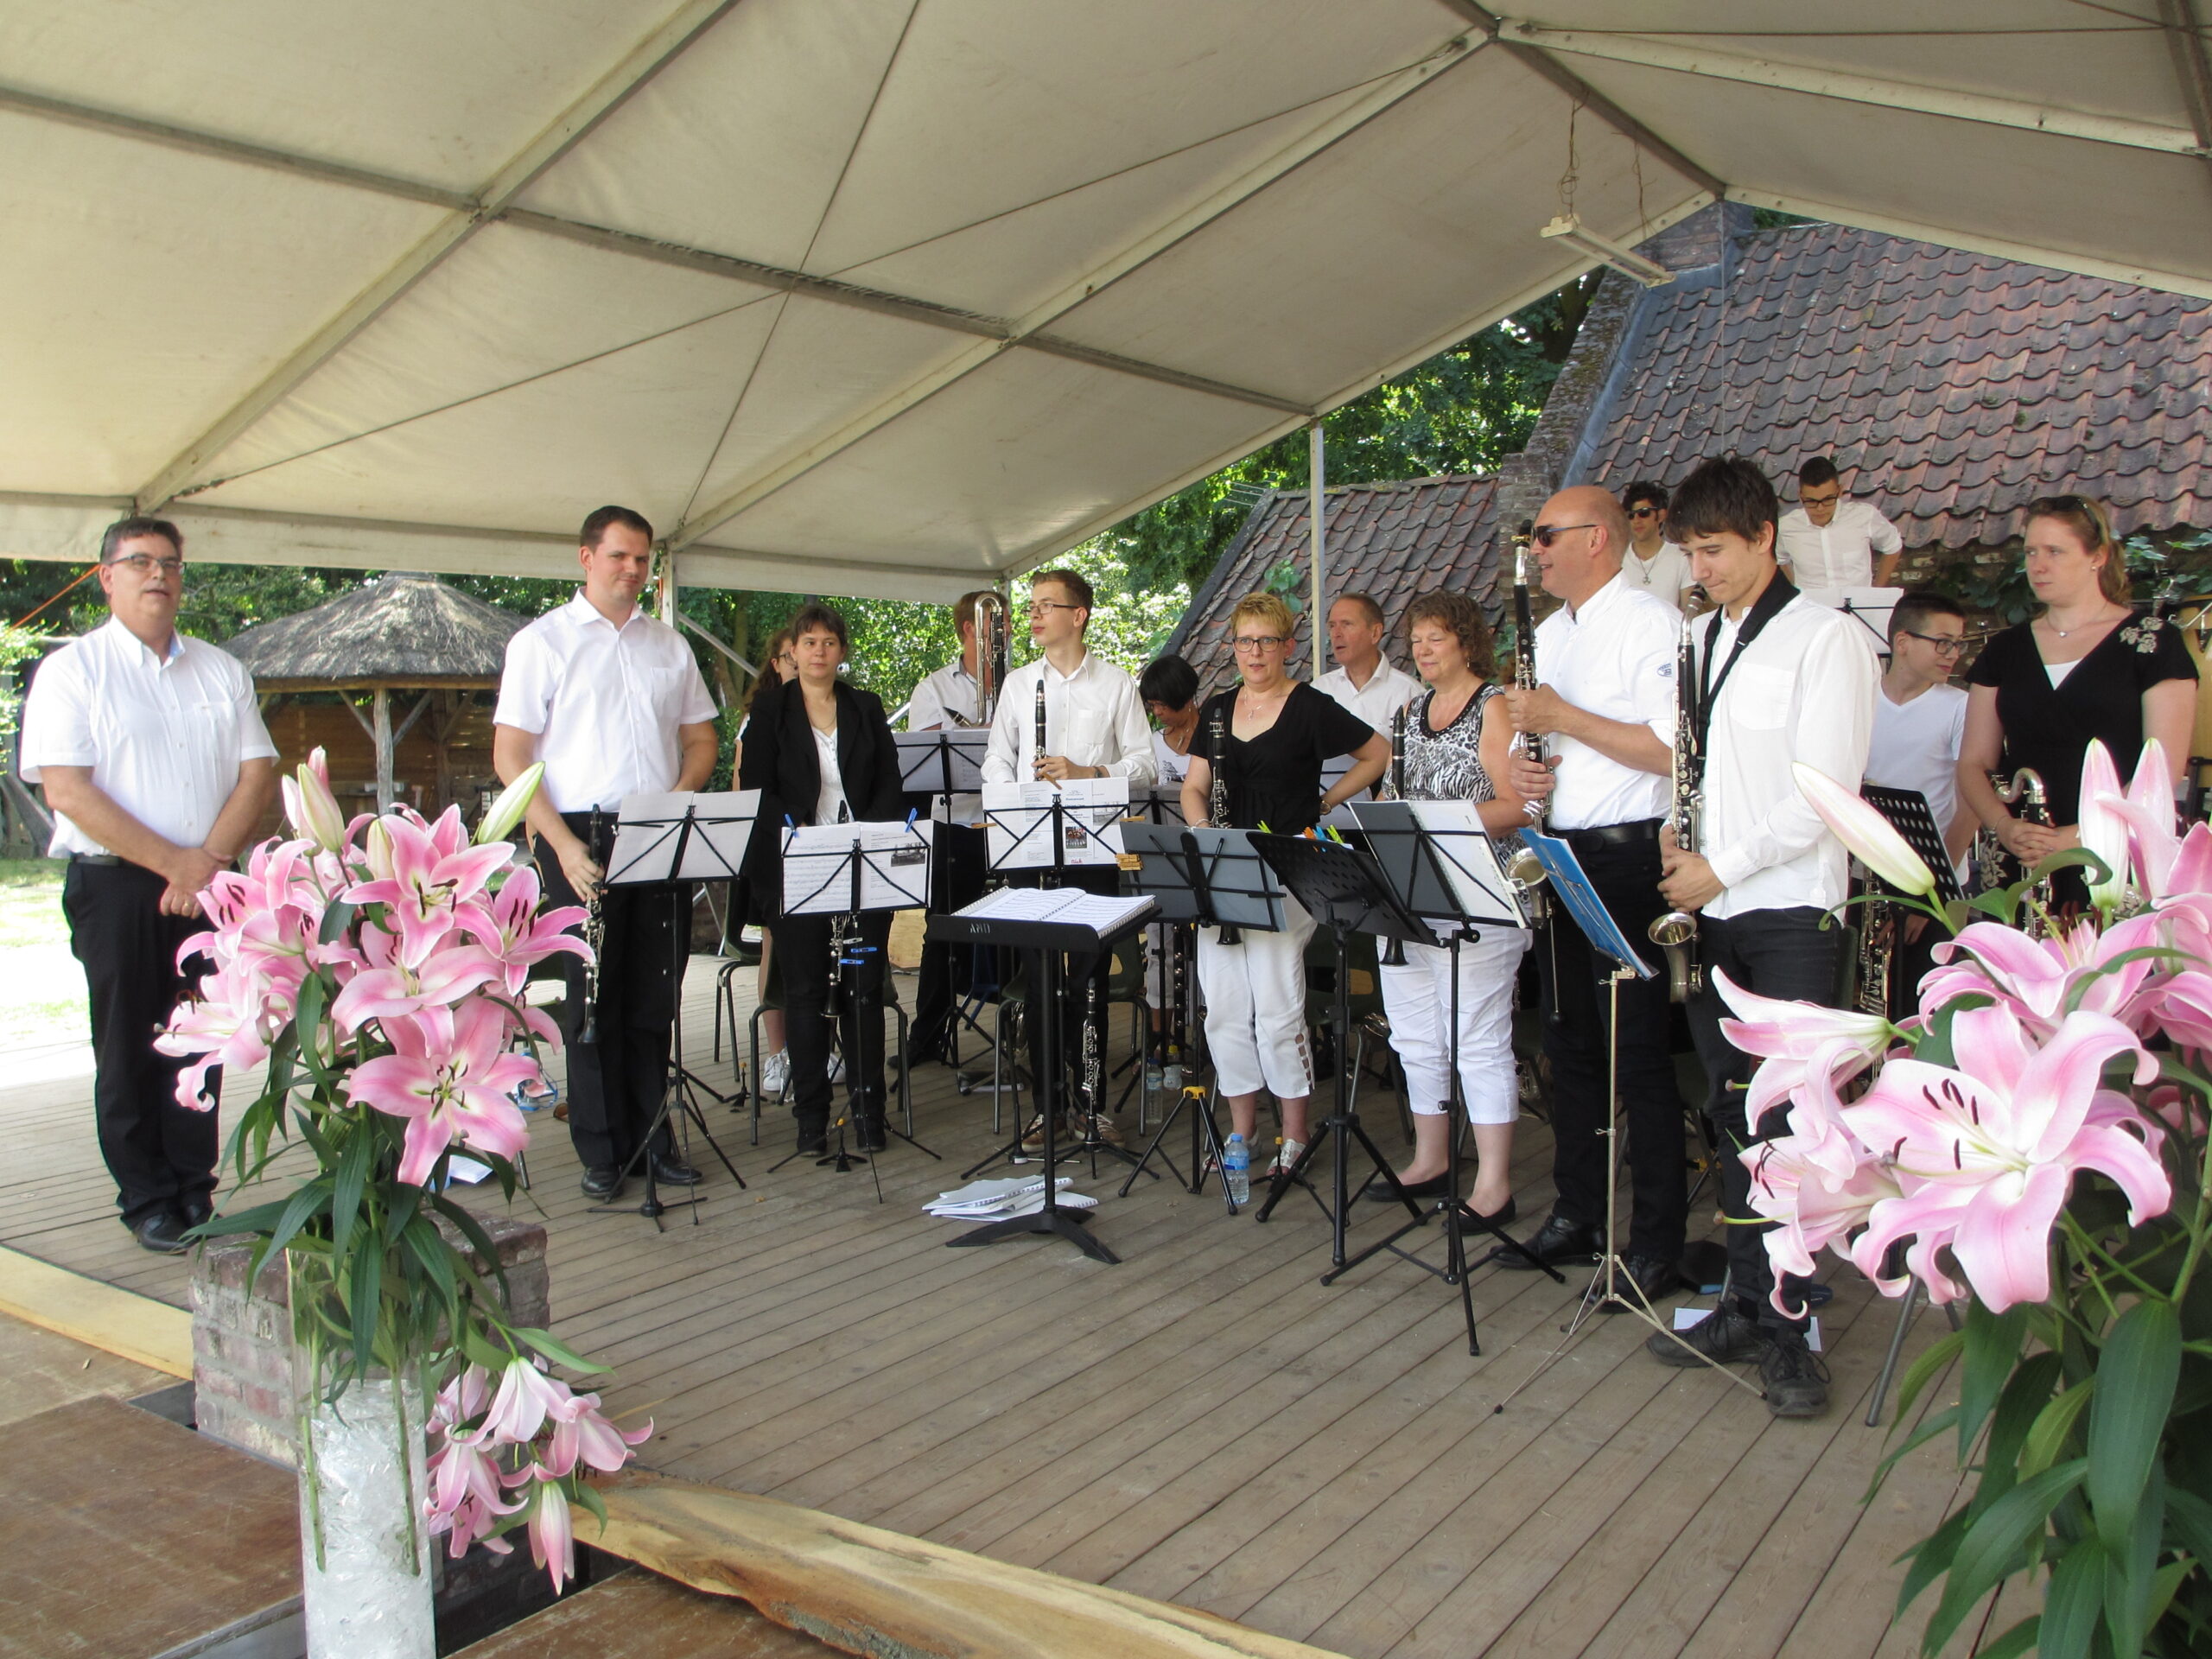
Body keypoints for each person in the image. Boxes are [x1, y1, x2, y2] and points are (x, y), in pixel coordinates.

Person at [1651, 455, 1880, 1419]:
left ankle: (1793, 1330)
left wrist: (1719, 865)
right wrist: (1676, 827)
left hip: (1786, 906)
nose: (1699, 569)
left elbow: (1822, 796)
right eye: (1691, 552)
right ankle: (1746, 1298)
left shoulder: (1826, 639)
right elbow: (1697, 761)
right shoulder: (1702, 638)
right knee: (1730, 1112)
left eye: (1714, 550)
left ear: (1763, 538)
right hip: (1717, 905)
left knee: (1785, 1126)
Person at [22, 517, 278, 1253]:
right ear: (107, 577)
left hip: (209, 884)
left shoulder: (220, 670)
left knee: (202, 1036)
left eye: (169, 563)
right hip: (121, 888)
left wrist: (209, 864)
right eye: (139, 562)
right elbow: (68, 791)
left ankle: (195, 1187)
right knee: (131, 1042)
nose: (158, 575)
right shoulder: (73, 671)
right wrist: (177, 865)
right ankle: (146, 1198)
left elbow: (255, 771)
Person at [493, 505, 720, 1202]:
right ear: (585, 557)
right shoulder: (543, 642)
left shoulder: (668, 645)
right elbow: (511, 756)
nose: (634, 570)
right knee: (591, 1003)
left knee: (654, 995)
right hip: (577, 836)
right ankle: (602, 1149)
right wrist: (558, 844)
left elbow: (703, 741)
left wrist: (675, 802)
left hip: (655, 828)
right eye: (620, 556)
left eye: (643, 559)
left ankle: (655, 1139)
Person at [1497, 486, 1688, 1304]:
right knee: (1569, 1041)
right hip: (1561, 851)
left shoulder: (1650, 624)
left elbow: (1671, 752)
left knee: (1638, 1052)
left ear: (1598, 539)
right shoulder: (1548, 632)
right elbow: (1532, 751)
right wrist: (1527, 767)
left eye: (1547, 535)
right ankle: (1579, 1212)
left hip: (1631, 855)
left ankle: (1657, 1241)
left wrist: (1561, 715)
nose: (1536, 549)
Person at [1180, 594, 1389, 1177]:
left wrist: (1324, 801)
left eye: (1267, 641)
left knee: (1276, 1006)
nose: (1255, 652)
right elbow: (1193, 787)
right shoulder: (1218, 711)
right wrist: (1203, 831)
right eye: (1245, 641)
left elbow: (1377, 754)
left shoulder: (1310, 707)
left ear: (1287, 647)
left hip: (1284, 869)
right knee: (1223, 1009)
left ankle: (1293, 1134)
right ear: (1234, 645)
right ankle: (1242, 1128)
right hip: (1222, 870)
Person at [1369, 592, 1531, 1221]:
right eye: (1417, 640)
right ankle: (1432, 1158)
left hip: (1480, 896)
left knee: (1477, 1038)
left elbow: (1519, 805)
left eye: (1437, 638)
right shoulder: (1408, 714)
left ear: (1466, 640)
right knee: (1414, 1035)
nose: (1424, 650)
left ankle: (1493, 1184)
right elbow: (1389, 798)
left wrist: (1438, 828)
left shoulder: (1493, 708)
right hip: (1412, 895)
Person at [983, 569, 1157, 1147]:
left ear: (1078, 615)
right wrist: (1014, 802)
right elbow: (995, 766)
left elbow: (1145, 764)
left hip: (1092, 846)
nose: (1031, 615)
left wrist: (1091, 774)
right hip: (1031, 844)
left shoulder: (1115, 685)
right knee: (1037, 980)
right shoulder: (1017, 685)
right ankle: (1046, 1109)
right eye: (1030, 606)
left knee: (1088, 980)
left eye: (1045, 606)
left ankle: (1090, 1105)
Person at [1958, 494, 2195, 904]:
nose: (2038, 565)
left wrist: (2080, 835)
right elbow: (1973, 762)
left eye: (2055, 551)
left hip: (2116, 851)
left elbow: (2163, 769)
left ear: (2097, 556)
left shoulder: (2153, 642)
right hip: (2023, 855)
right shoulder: (2005, 649)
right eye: (2031, 551)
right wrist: (2003, 826)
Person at [739, 603, 906, 1154]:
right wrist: (797, 830)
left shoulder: (865, 706)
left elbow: (888, 781)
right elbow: (758, 788)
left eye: (829, 642)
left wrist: (870, 836)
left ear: (842, 650)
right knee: (806, 992)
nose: (818, 652)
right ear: (793, 650)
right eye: (808, 642)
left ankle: (869, 1115)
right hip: (796, 866)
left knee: (863, 988)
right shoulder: (770, 708)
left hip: (862, 867)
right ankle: (810, 1120)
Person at [902, 591, 996, 1072]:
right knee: (941, 929)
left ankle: (1023, 1026)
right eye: (991, 630)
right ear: (967, 630)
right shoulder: (935, 687)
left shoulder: (1021, 684)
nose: (1001, 640)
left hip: (1007, 826)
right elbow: (922, 760)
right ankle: (928, 1034)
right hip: (955, 823)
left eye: (1003, 630)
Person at [738, 629, 797, 1098]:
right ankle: (778, 1051)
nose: (800, 662)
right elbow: (746, 792)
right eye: (790, 656)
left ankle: (821, 1045)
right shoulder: (760, 717)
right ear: (776, 663)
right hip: (770, 848)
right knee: (774, 949)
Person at [1137, 654, 1201, 1087]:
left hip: (1203, 859)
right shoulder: (1153, 745)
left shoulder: (1213, 738)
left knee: (1205, 955)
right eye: (1152, 705)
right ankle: (1161, 1040)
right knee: (1159, 953)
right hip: (1163, 859)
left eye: (1164, 704)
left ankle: (1202, 1036)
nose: (1158, 713)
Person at [1777, 457, 1904, 591]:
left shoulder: (1864, 516)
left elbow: (1893, 545)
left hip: (1856, 607)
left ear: (1840, 491)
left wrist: (1877, 591)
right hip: (1812, 608)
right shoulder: (1786, 527)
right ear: (1801, 496)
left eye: (1827, 499)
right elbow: (1779, 560)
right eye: (1811, 501)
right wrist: (1795, 589)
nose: (1820, 508)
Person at [1313, 593, 1421, 731]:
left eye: (1347, 624)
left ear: (1375, 633)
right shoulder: (1319, 690)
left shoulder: (1409, 693)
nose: (1336, 634)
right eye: (1332, 626)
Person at [1619, 480, 1694, 612]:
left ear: (1661, 515)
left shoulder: (1682, 557)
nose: (1636, 520)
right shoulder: (1616, 560)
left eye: (1644, 513)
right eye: (1630, 515)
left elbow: (1688, 612)